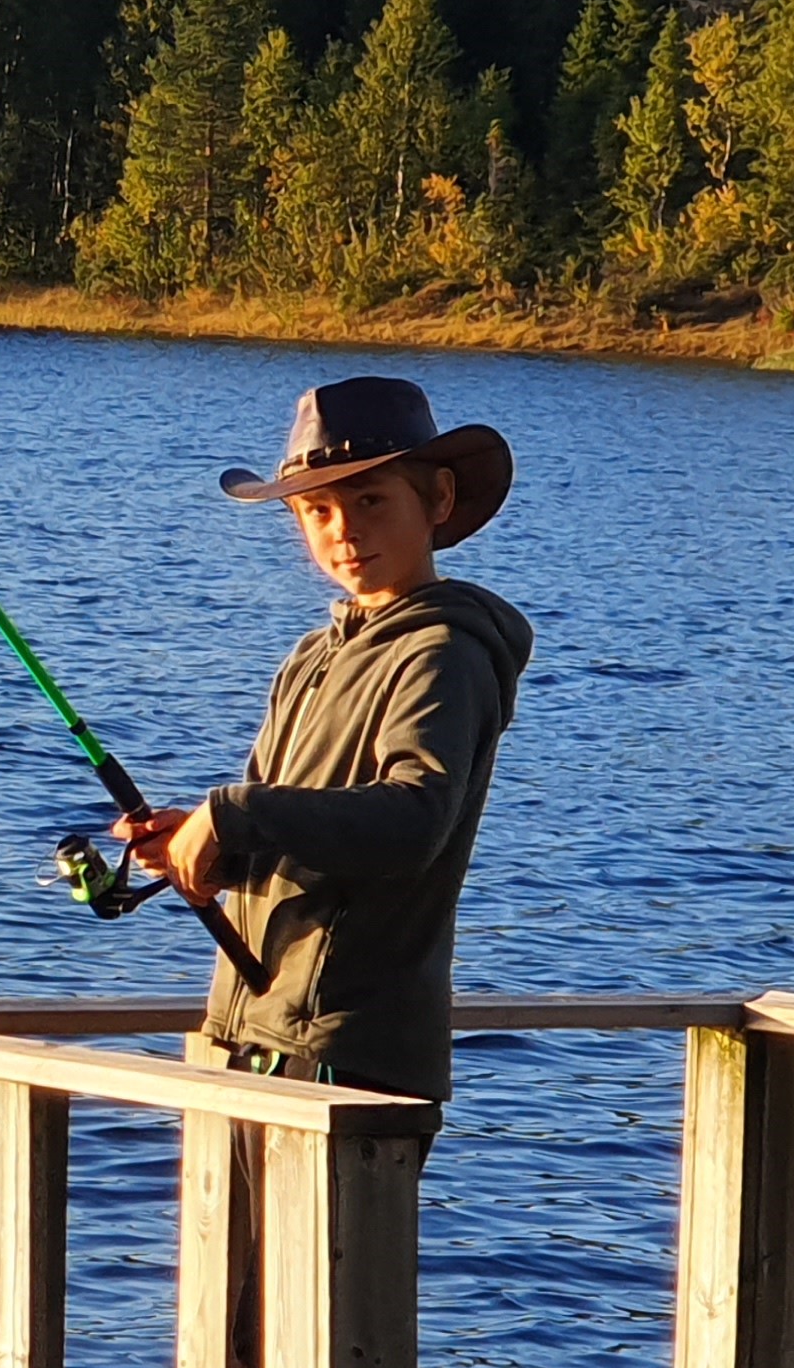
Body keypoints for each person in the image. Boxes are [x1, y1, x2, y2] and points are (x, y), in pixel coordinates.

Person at [112, 376, 532, 1110]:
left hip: (347, 1061)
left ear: (435, 500)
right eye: (318, 509)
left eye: (371, 500)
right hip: (251, 1038)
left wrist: (236, 814)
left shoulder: (444, 651)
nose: (344, 529)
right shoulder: (313, 656)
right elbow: (296, 821)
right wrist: (204, 843)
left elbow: (413, 821)